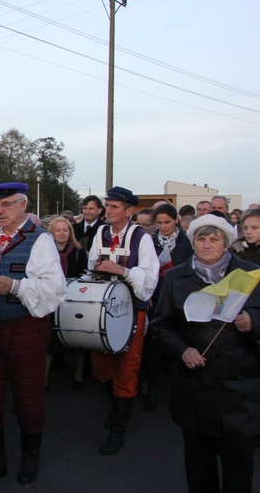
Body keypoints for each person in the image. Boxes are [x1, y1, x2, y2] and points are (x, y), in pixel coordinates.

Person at [0, 182, 66, 485]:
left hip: (25, 330)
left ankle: (29, 459)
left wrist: (15, 286)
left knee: (28, 398)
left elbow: (55, 289)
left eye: (6, 205)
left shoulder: (40, 240)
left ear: (23, 205)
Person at [151, 214, 260, 493]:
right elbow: (161, 326)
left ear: (226, 243)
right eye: (201, 238)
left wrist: (252, 322)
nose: (207, 245)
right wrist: (183, 350)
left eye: (215, 239)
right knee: (200, 470)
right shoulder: (176, 276)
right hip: (195, 390)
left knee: (239, 468)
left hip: (240, 389)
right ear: (193, 242)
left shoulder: (250, 274)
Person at [88, 186, 159, 455]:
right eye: (108, 205)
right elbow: (92, 263)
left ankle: (119, 427)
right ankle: (115, 407)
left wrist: (123, 270)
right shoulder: (101, 232)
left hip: (131, 310)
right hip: (106, 309)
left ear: (129, 211)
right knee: (102, 364)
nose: (109, 210)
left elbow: (150, 279)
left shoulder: (141, 238)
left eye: (115, 206)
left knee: (128, 366)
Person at [140, 203, 194, 411]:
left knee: (179, 346)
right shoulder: (150, 242)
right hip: (156, 301)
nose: (163, 227)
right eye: (160, 223)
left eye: (167, 222)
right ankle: (152, 389)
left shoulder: (187, 243)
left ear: (176, 221)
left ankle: (182, 393)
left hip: (181, 302)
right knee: (152, 348)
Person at [46, 216, 88, 390]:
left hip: (73, 299)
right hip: (52, 300)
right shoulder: (46, 252)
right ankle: (44, 381)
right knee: (50, 342)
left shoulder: (78, 252)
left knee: (77, 340)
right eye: (58, 230)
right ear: (52, 232)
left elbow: (84, 277)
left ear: (70, 232)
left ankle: (78, 376)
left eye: (65, 230)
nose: (62, 233)